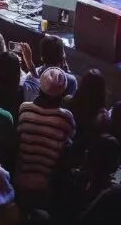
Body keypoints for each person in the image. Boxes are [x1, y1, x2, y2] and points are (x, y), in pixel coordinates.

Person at [15, 67, 76, 202]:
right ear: (62, 93)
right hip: (46, 186)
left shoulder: (25, 108)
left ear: (40, 88)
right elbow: (71, 135)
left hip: (19, 179)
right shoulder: (66, 118)